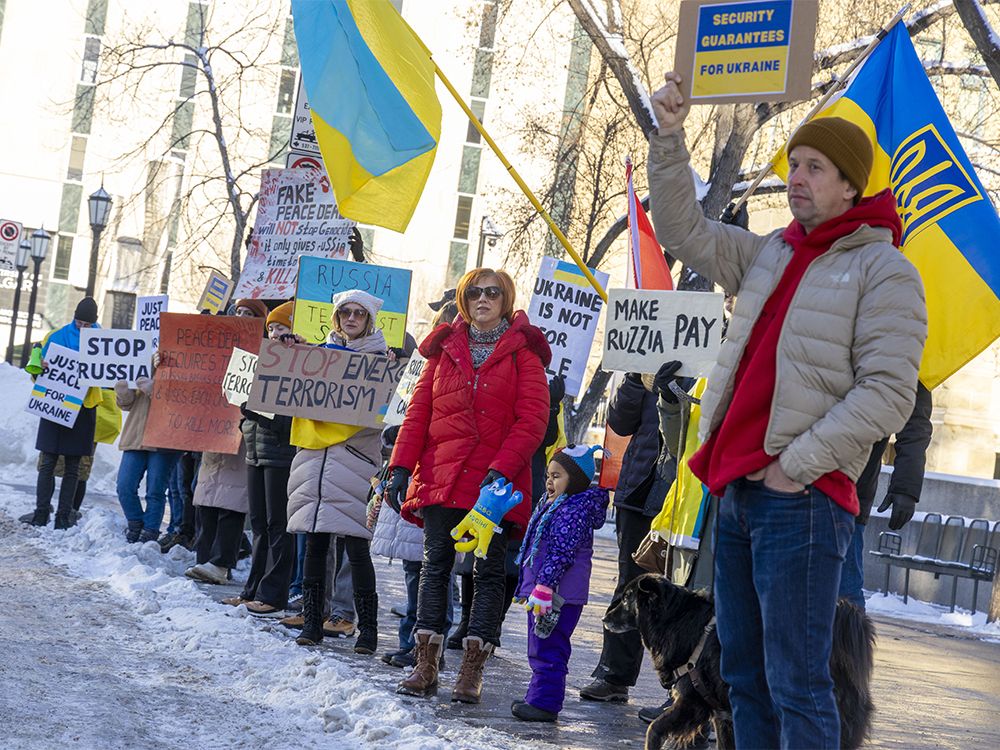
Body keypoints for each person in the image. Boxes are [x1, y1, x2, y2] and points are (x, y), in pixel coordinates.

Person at [648, 73, 927, 748]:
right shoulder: (773, 251)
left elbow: (888, 392)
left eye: (814, 168)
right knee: (742, 676)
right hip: (738, 491)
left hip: (801, 500)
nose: (796, 177)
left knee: (799, 681)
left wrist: (794, 466)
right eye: (794, 164)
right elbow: (683, 230)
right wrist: (671, 135)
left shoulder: (885, 272)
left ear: (851, 186)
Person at [386, 267, 551, 703]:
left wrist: (502, 468)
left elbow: (532, 421)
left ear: (506, 299)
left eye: (492, 293)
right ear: (463, 299)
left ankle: (471, 671)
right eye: (474, 292)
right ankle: (426, 663)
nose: (482, 299)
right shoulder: (443, 351)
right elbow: (418, 413)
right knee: (434, 566)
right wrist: (400, 467)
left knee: (487, 570)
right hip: (442, 474)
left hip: (495, 485)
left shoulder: (524, 355)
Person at [286, 290, 392, 655]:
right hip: (315, 464)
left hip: (354, 465)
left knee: (357, 550)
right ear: (336, 318)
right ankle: (313, 622)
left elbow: (385, 417)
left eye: (358, 313)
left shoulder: (382, 362)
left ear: (369, 320)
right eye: (344, 312)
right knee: (314, 546)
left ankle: (368, 631)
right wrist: (286, 350)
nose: (350, 318)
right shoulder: (317, 356)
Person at [580, 368, 672, 703]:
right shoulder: (647, 354)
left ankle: (683, 691)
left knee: (685, 593)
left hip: (685, 491)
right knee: (631, 585)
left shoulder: (710, 343)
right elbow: (619, 422)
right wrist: (634, 379)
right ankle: (613, 676)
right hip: (639, 489)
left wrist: (676, 388)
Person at [511, 445, 608, 722]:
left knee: (547, 646)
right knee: (541, 644)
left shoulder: (572, 511)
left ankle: (544, 703)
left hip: (556, 594)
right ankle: (538, 696)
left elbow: (561, 552)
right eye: (549, 476)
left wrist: (544, 586)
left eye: (557, 476)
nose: (550, 481)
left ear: (575, 480)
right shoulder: (557, 504)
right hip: (550, 591)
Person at [840, 382, 933, 609]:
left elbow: (914, 421)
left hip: (850, 491)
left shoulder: (906, 351)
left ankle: (848, 645)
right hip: (789, 478)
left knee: (846, 597)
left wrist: (906, 487)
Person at [234, 301, 297, 615]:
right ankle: (252, 589)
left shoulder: (299, 365)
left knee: (278, 526)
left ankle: (273, 594)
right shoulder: (263, 361)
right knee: (258, 524)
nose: (274, 333)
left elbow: (292, 422)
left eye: (281, 328)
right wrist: (246, 417)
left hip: (280, 456)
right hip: (256, 452)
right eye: (271, 327)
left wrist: (256, 413)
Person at [26, 297, 103, 530]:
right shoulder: (56, 336)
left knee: (73, 465)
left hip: (84, 408)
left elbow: (108, 375)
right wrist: (42, 366)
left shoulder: (103, 341)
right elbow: (36, 369)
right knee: (47, 461)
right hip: (55, 403)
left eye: (87, 324)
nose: (82, 327)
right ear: (74, 318)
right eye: (79, 322)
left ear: (94, 323)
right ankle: (41, 513)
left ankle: (63, 516)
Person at [114, 372, 181, 543]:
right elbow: (129, 405)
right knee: (124, 486)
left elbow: (185, 403)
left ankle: (150, 532)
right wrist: (123, 393)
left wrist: (156, 392)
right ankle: (135, 524)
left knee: (155, 491)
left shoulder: (181, 361)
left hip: (164, 439)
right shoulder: (143, 359)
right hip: (136, 436)